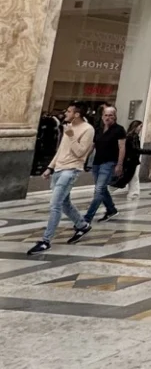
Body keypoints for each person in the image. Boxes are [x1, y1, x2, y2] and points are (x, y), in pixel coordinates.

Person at [27, 102, 95, 255]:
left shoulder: (88, 129)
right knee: (64, 203)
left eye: (69, 111)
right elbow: (61, 150)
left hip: (71, 170)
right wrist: (50, 167)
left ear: (77, 114)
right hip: (59, 169)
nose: (65, 114)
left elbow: (80, 152)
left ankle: (46, 241)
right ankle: (82, 225)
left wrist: (71, 135)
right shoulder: (68, 127)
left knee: (55, 204)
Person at [83, 103, 126, 226]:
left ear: (115, 116)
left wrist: (119, 164)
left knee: (98, 190)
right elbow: (92, 145)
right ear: (102, 117)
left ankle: (86, 219)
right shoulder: (98, 130)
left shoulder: (119, 130)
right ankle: (111, 210)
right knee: (102, 189)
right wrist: (84, 158)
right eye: (106, 115)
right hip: (97, 163)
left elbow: (122, 148)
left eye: (111, 115)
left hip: (109, 163)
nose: (108, 118)